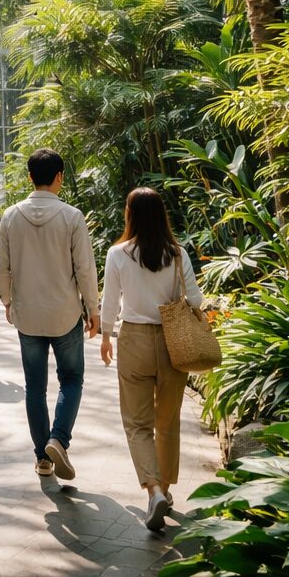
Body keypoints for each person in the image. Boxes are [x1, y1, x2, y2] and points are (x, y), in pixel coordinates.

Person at [100, 187, 203, 531]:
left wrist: (104, 336)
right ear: (161, 215)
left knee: (137, 422)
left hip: (133, 339)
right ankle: (167, 490)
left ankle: (153, 489)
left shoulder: (118, 254)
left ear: (130, 215)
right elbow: (198, 300)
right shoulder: (177, 253)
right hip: (173, 341)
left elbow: (110, 301)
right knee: (168, 420)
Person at [0, 147, 100, 480]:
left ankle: (42, 458)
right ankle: (59, 438)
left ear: (30, 177)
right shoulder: (72, 217)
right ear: (59, 177)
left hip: (27, 314)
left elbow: (2, 267)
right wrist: (93, 308)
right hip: (65, 313)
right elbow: (85, 269)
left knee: (34, 387)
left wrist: (9, 301)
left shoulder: (10, 216)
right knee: (71, 379)